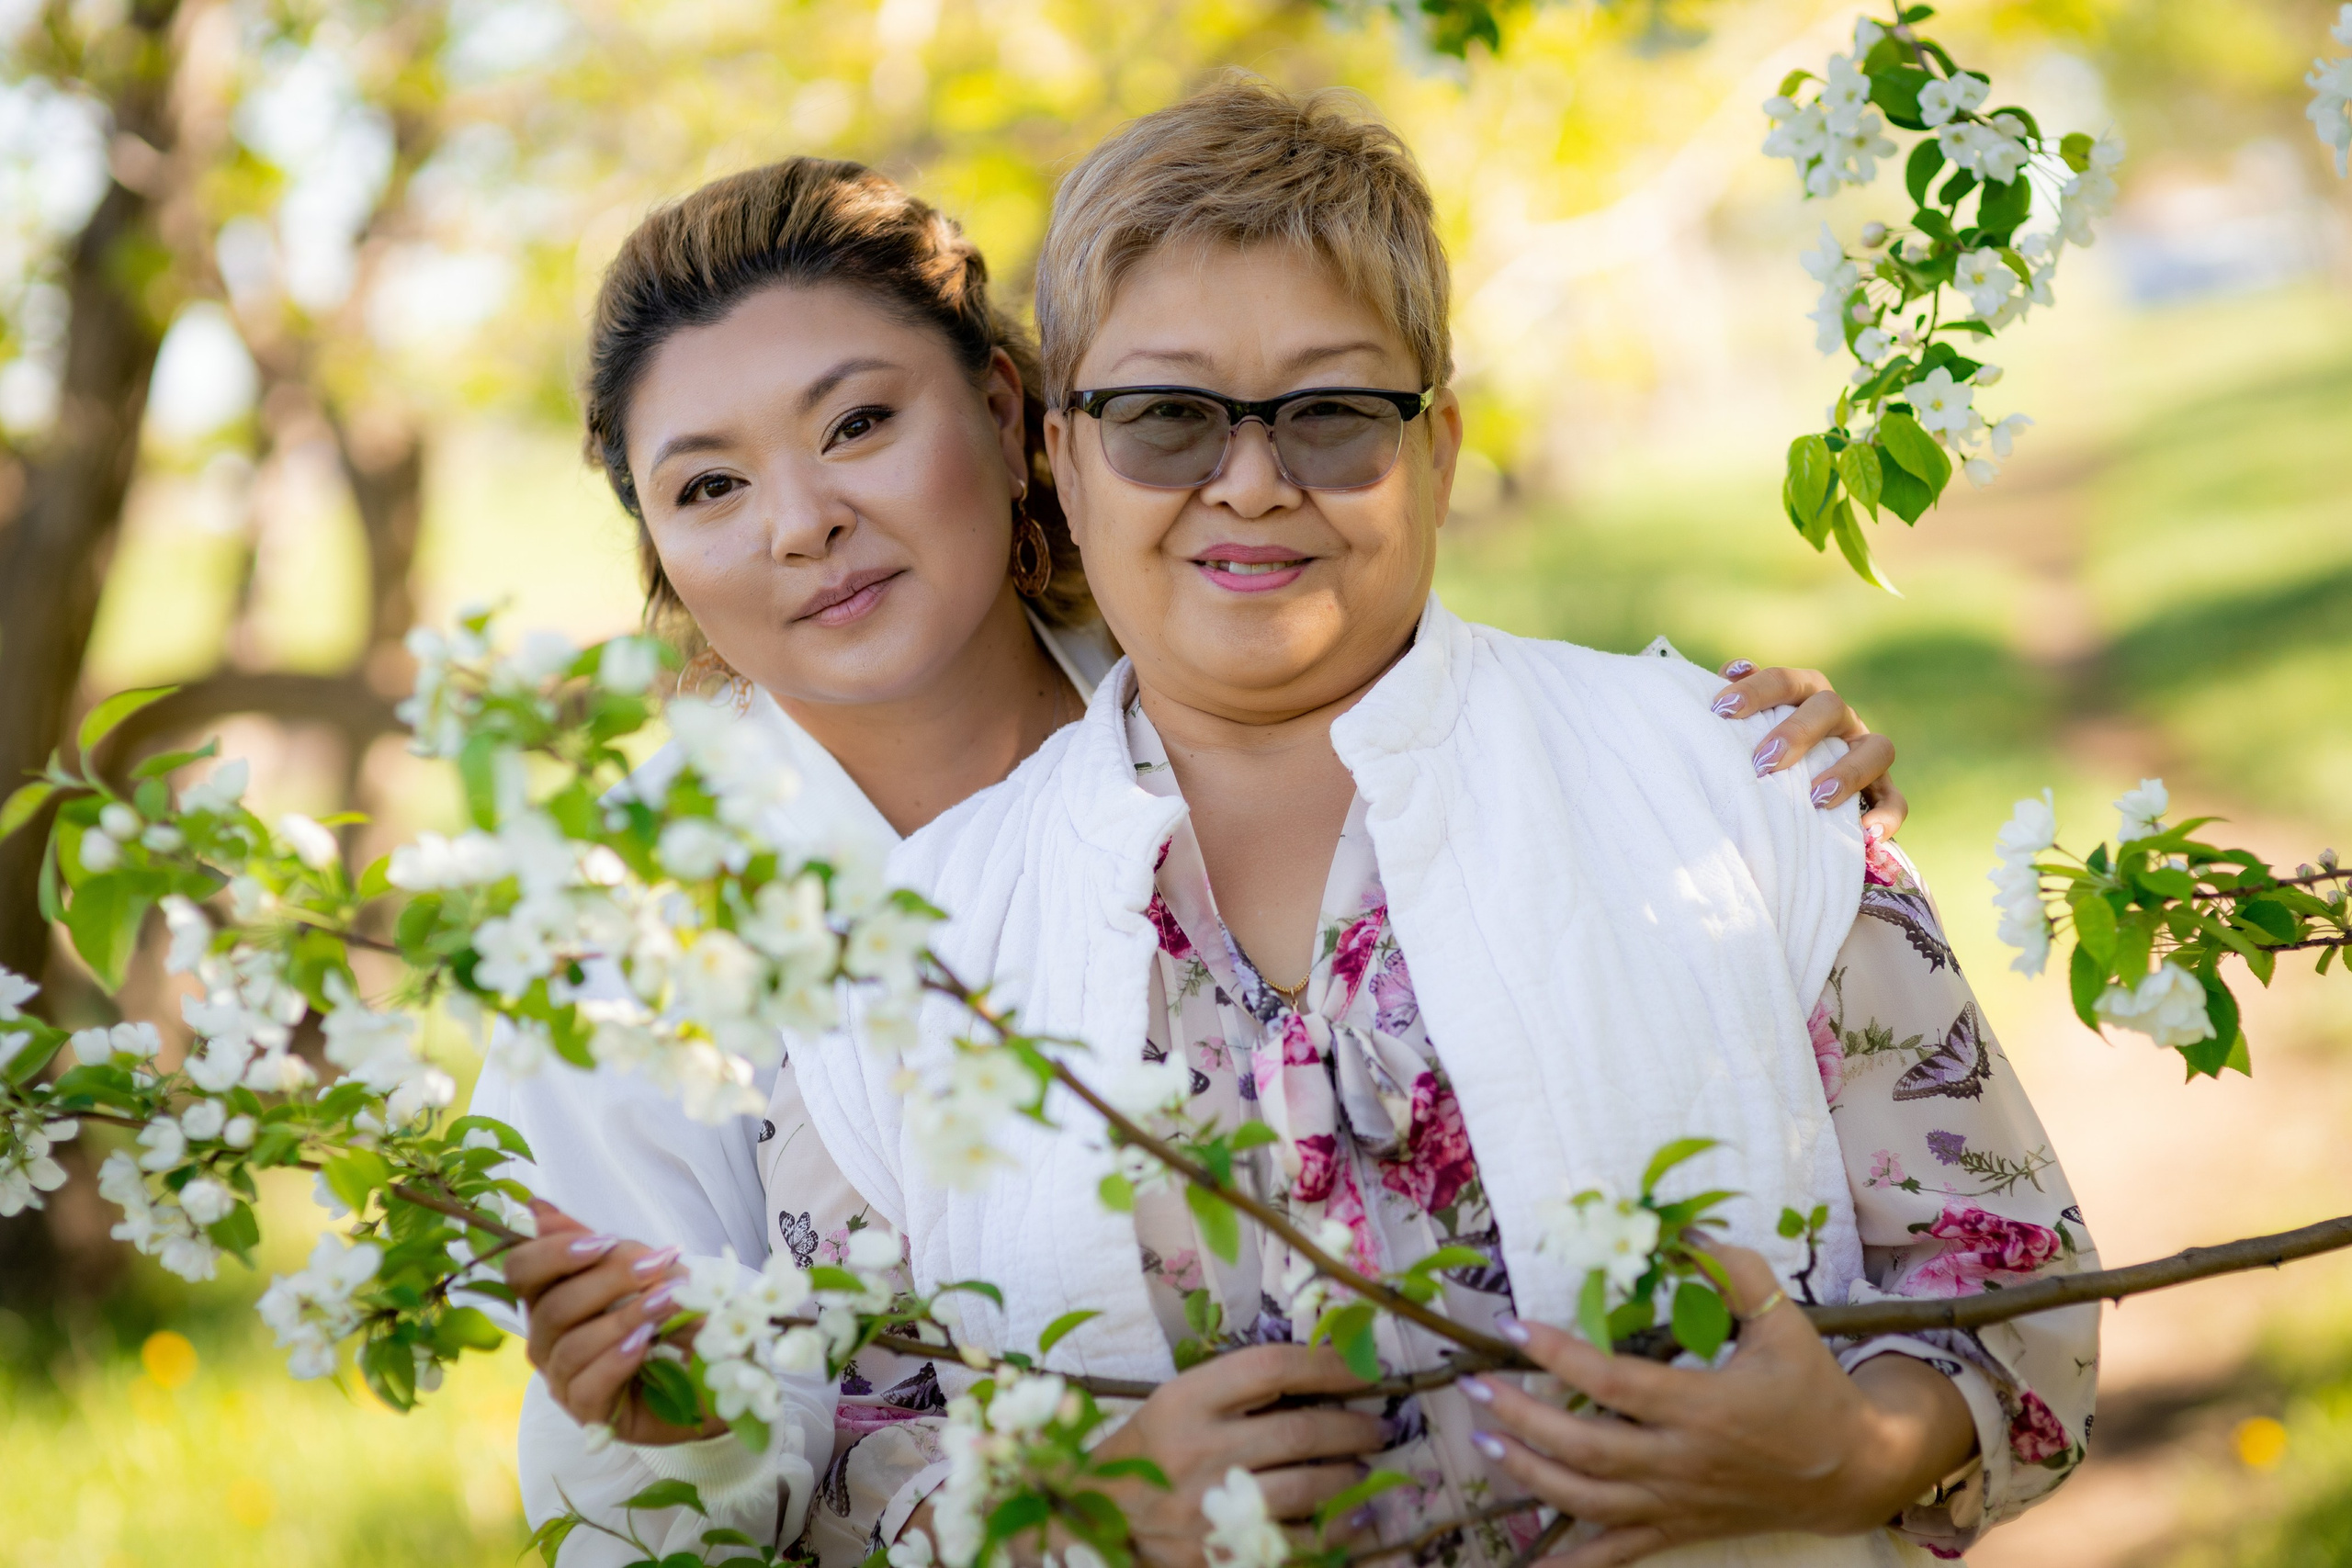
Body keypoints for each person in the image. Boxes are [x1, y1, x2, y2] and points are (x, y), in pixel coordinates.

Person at [477, 157, 1913, 1565]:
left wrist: (1728, 782)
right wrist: (1056, 1513)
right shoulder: (626, 947)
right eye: (711, 486)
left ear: (1006, 414)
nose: (801, 524)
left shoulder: (1216, 655)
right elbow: (674, 1506)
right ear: (660, 545)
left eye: (856, 425)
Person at [789, 84, 2095, 1568]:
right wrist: (1065, 1515)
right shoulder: (902, 955)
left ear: (1441, 449)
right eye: (1166, 420)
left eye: (1334, 414)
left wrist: (1844, 1458)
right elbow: (837, 1452)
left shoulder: (1735, 789)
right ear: (1067, 460)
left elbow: (2018, 1288)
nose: (1254, 481)